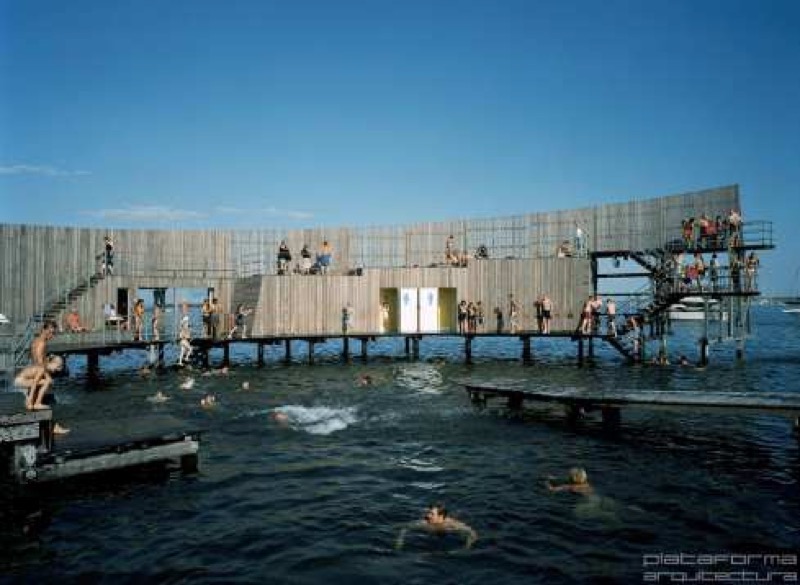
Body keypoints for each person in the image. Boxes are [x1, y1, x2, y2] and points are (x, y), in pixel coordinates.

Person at [395, 503, 478, 550]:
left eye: (432, 514)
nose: (428, 516)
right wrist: (400, 542)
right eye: (428, 512)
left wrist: (466, 547)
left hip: (446, 535)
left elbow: (472, 534)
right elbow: (405, 528)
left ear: (441, 516)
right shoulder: (425, 523)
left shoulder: (452, 524)